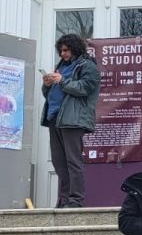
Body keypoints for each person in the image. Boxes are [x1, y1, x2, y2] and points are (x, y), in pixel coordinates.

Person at [40, 34, 100, 208]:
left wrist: (62, 81)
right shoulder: (61, 66)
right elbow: (50, 94)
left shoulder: (88, 65)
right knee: (59, 162)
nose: (63, 54)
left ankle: (75, 201)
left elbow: (85, 88)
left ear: (75, 48)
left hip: (73, 119)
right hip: (54, 118)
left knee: (73, 161)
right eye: (60, 51)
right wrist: (47, 84)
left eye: (66, 50)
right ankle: (64, 200)